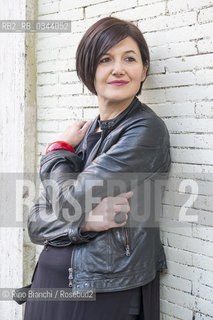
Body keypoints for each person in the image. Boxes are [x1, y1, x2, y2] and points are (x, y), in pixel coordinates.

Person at [24, 17, 171, 320]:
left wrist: (55, 152)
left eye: (129, 58)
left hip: (103, 291)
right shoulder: (83, 135)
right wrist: (84, 223)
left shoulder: (145, 130)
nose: (118, 68)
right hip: (50, 284)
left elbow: (67, 202)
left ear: (143, 70)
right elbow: (35, 223)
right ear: (89, 70)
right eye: (106, 59)